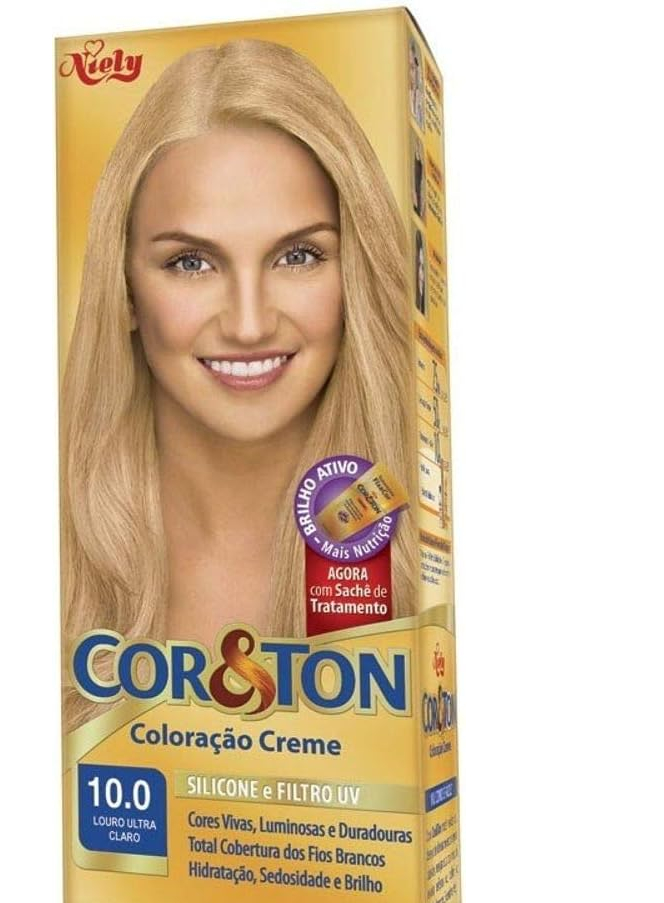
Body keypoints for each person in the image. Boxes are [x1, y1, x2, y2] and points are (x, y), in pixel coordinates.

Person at [61, 39, 418, 726]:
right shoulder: (59, 560)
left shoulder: (413, 554)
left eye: (298, 255)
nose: (249, 325)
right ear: (123, 289)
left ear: (357, 274)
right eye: (192, 263)